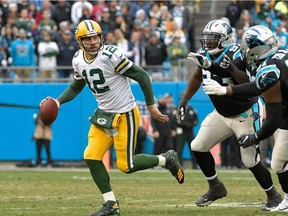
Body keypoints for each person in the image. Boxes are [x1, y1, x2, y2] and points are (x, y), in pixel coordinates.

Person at [40, 19, 184, 216]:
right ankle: (111, 204)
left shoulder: (111, 55)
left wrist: (151, 106)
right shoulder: (78, 59)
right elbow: (76, 86)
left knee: (126, 165)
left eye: (95, 37)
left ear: (101, 37)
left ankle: (166, 159)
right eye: (87, 39)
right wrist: (58, 102)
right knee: (91, 156)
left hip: (125, 113)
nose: (92, 42)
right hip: (103, 114)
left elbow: (142, 75)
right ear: (79, 41)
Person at [178, 19, 281, 211]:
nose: (208, 43)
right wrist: (185, 100)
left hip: (246, 112)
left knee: (249, 160)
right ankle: (215, 187)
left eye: (213, 39)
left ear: (225, 39)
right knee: (198, 146)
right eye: (206, 39)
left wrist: (230, 68)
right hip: (222, 113)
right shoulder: (204, 54)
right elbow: (197, 76)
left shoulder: (237, 52)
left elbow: (250, 82)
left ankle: (273, 196)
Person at [203, 25, 288, 212]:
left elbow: (270, 114)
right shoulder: (270, 57)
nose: (244, 50)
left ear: (258, 48)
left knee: (278, 161)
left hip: (282, 115)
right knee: (278, 162)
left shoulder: (269, 70)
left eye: (248, 47)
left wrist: (255, 137)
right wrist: (210, 65)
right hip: (284, 114)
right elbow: (247, 80)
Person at [175, 96, 198, 169]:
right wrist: (187, 124)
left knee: (193, 148)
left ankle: (195, 165)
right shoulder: (178, 108)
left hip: (190, 131)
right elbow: (177, 121)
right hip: (181, 131)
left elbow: (196, 119)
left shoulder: (191, 109)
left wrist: (192, 124)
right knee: (179, 148)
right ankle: (179, 165)